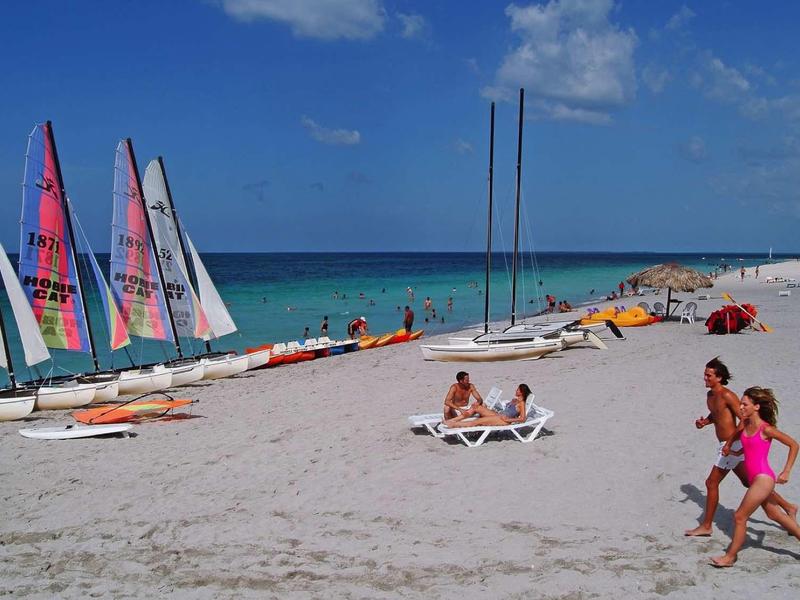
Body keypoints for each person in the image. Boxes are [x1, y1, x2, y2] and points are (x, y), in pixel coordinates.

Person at [685, 358, 797, 537]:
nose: (705, 378)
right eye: (705, 375)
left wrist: (730, 443)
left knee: (711, 482)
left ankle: (706, 526)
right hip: (728, 445)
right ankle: (789, 507)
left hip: (732, 444)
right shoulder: (710, 396)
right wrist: (705, 422)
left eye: (709, 375)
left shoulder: (727, 395)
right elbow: (717, 414)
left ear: (719, 378)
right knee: (749, 482)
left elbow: (745, 419)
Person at [710, 387, 800, 567]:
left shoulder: (766, 429)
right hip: (754, 478)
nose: (741, 407)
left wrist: (786, 471)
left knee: (739, 516)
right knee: (776, 515)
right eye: (741, 404)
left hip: (763, 478)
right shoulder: (746, 423)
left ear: (756, 407)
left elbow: (794, 445)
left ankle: (730, 557)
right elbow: (752, 446)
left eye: (745, 404)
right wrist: (736, 452)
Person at [443, 384, 531, 428]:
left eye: (518, 390)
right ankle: (453, 420)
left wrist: (509, 419)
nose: (516, 390)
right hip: (498, 415)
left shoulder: (522, 403)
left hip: (503, 420)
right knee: (476, 407)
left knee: (478, 421)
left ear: (522, 392)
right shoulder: (515, 400)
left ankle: (453, 424)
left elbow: (523, 418)